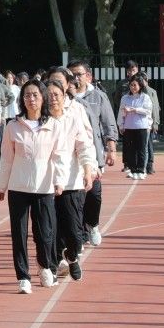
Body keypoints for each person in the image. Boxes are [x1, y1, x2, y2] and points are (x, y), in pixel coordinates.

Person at [0, 78, 68, 294]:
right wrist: (2, 185)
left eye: (35, 95)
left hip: (44, 187)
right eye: (27, 95)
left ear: (43, 98)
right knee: (19, 234)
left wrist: (59, 181)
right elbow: (6, 158)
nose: (31, 99)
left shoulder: (53, 126)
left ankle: (45, 266)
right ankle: (23, 277)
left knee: (45, 232)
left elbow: (60, 157)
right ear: (22, 99)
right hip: (18, 187)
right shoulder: (13, 126)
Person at [46, 76, 98, 281]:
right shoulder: (40, 120)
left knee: (75, 233)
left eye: (56, 94)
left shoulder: (74, 115)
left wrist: (88, 170)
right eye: (49, 95)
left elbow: (84, 145)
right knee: (50, 229)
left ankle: (71, 255)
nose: (53, 98)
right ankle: (52, 265)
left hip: (71, 181)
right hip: (46, 183)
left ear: (64, 94)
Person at [67, 60, 119, 247]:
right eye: (71, 75)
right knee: (77, 196)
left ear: (88, 76)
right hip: (70, 154)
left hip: (92, 152)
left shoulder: (98, 96)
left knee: (94, 195)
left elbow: (108, 122)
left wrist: (111, 148)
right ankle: (79, 234)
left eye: (78, 74)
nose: (75, 78)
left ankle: (93, 224)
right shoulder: (63, 97)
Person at [117, 76, 153, 180]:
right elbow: (121, 112)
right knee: (131, 150)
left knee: (141, 149)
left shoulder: (145, 97)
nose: (133, 87)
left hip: (141, 126)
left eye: (135, 85)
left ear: (140, 86)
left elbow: (147, 111)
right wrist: (121, 125)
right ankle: (133, 170)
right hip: (129, 126)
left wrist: (135, 110)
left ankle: (141, 170)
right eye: (131, 85)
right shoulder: (125, 98)